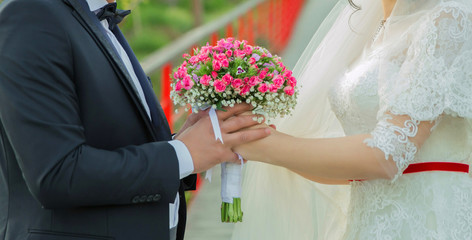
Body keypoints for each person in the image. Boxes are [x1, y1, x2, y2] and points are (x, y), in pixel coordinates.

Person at [0, 0, 271, 239]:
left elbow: (109, 138)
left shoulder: (98, 18)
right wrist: (181, 154)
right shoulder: (31, 14)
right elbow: (58, 173)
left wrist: (189, 141)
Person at [232, 0, 472, 239]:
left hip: (429, 221)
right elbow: (353, 167)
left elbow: (387, 155)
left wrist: (261, 142)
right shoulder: (375, 28)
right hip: (367, 222)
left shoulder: (446, 20)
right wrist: (253, 134)